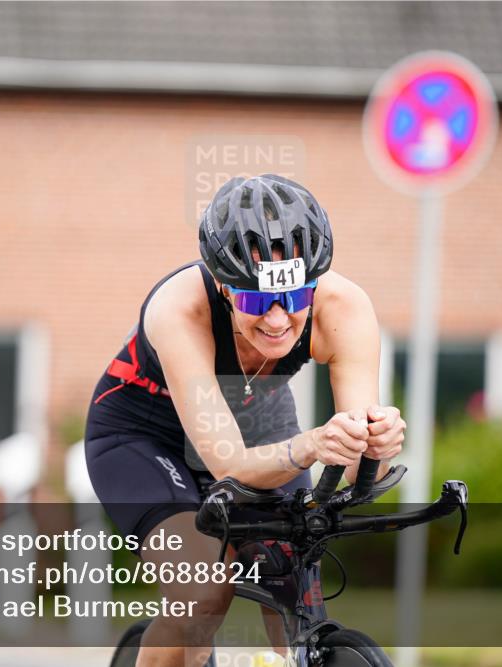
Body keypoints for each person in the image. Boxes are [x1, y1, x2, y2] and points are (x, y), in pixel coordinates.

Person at [85, 174, 406, 666]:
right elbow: (230, 465)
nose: (277, 319)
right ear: (222, 285)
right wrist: (312, 444)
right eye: (256, 300)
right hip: (144, 436)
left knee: (292, 579)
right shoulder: (180, 308)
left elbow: (360, 465)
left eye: (294, 298)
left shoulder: (343, 308)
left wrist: (375, 446)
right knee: (203, 594)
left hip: (258, 422)